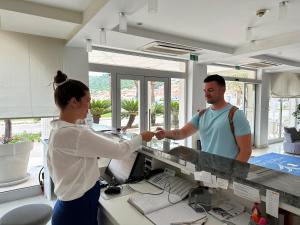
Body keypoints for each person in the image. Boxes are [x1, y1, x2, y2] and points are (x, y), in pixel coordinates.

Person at [47, 71, 154, 225]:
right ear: (74, 102)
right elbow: (120, 151)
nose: (89, 107)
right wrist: (142, 137)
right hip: (77, 211)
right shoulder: (74, 134)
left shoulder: (59, 130)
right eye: (87, 101)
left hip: (70, 206)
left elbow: (81, 144)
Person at [155, 74, 252, 162]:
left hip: (226, 172)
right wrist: (165, 133)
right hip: (205, 169)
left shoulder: (236, 115)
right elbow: (182, 132)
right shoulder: (202, 114)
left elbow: (245, 151)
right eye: (205, 91)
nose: (206, 95)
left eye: (210, 90)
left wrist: (232, 175)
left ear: (223, 90)